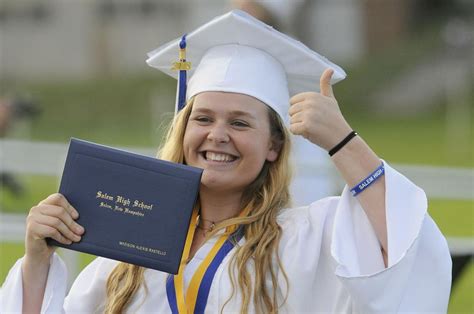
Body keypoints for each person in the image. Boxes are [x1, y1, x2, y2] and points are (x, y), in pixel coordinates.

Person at [0, 10, 451, 313]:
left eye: (240, 123)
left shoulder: (311, 238)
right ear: (183, 130)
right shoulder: (132, 246)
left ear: (274, 145)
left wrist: (343, 141)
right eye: (203, 118)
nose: (217, 135)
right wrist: (37, 259)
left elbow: (408, 254)